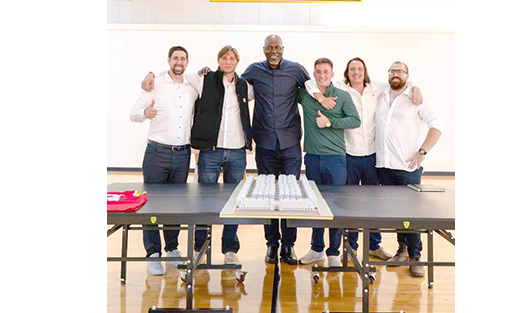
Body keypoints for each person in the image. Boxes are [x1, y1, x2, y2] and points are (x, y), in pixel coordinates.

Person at [142, 46, 255, 268]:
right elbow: (176, 72)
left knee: (234, 203)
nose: (228, 61)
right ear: (219, 60)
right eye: (224, 58)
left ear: (237, 62)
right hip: (210, 152)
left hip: (237, 152)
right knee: (204, 203)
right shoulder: (203, 79)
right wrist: (151, 74)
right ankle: (200, 247)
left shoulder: (245, 86)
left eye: (232, 58)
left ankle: (230, 249)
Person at [305, 58, 424, 260]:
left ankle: (374, 246)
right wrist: (317, 94)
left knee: (372, 204)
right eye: (352, 69)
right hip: (349, 155)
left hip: (372, 157)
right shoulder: (340, 88)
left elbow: (399, 81)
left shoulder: (377, 88)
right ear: (346, 72)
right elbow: (311, 83)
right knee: (349, 205)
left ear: (365, 71)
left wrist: (415, 87)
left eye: (360, 69)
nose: (356, 72)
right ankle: (350, 247)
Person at [240, 34, 311, 266]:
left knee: (292, 197)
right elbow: (231, 87)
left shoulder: (296, 70)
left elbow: (315, 89)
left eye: (277, 47)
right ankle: (272, 244)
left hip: (290, 142)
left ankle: (289, 246)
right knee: (266, 195)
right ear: (263, 49)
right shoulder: (253, 70)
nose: (273, 51)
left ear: (283, 48)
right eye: (269, 48)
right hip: (265, 141)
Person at [129, 46, 198, 276]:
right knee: (151, 205)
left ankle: (172, 249)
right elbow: (134, 112)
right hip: (156, 153)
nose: (179, 61)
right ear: (169, 60)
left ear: (187, 62)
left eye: (183, 58)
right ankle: (153, 254)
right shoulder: (155, 83)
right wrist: (143, 114)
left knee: (175, 205)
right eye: (175, 58)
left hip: (182, 154)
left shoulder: (191, 86)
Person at [375, 61, 444, 277]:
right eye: (392, 71)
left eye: (400, 71)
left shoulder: (416, 99)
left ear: (407, 75)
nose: (395, 74)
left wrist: (421, 153)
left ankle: (416, 258)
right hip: (384, 166)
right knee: (396, 214)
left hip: (407, 167)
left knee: (411, 215)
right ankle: (402, 250)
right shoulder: (382, 95)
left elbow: (437, 125)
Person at [297, 58, 361, 267]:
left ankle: (333, 252)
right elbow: (303, 85)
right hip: (313, 158)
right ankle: (316, 249)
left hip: (335, 159)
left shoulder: (342, 96)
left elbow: (355, 120)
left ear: (332, 74)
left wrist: (330, 122)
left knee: (335, 207)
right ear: (314, 74)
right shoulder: (307, 95)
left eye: (326, 72)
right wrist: (316, 94)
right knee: (316, 205)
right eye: (318, 72)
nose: (322, 75)